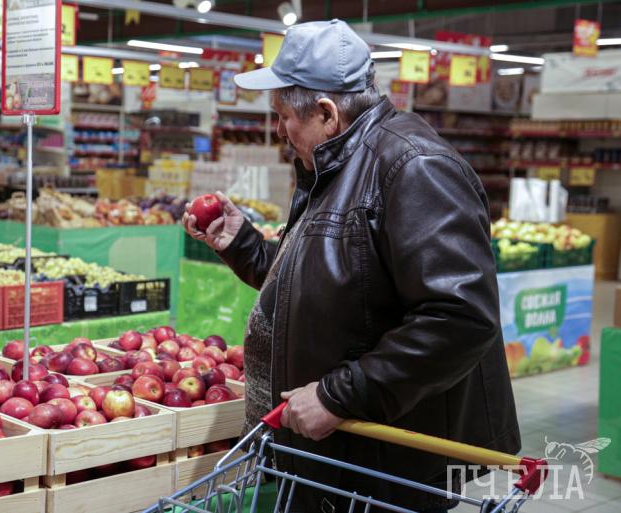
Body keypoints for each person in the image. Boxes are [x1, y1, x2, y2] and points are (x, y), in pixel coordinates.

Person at [183, 19, 520, 513]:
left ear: (326, 112)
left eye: (283, 116)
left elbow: (460, 316)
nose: (279, 131)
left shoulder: (413, 167)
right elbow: (329, 284)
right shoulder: (335, 165)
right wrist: (242, 244)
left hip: (382, 464)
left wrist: (337, 396)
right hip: (337, 458)